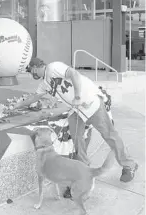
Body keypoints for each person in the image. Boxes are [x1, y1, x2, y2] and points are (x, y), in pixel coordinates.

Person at [12, 57, 138, 188]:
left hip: (89, 102)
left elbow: (74, 74)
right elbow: (34, 97)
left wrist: (77, 96)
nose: (31, 73)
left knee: (109, 135)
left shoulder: (53, 67)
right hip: (76, 110)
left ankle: (129, 165)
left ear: (36, 66)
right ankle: (83, 176)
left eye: (31, 70)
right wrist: (18, 105)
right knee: (77, 141)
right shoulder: (44, 84)